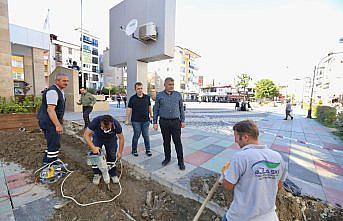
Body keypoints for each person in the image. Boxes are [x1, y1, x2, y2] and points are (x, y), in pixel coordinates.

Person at [221, 120, 287, 221]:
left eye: (236, 136)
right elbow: (279, 185)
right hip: (269, 217)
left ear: (245, 137)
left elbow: (228, 185)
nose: (235, 141)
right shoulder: (278, 157)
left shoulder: (241, 157)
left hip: (240, 217)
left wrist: (226, 172)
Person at [153, 77, 186, 170]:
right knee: (166, 141)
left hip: (176, 122)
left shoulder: (178, 95)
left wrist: (183, 120)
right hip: (164, 122)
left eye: (173, 85)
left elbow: (181, 108)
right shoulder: (159, 95)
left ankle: (181, 161)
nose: (171, 86)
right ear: (165, 85)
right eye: (169, 84)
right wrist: (154, 122)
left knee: (177, 142)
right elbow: (156, 109)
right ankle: (167, 158)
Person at [83, 115, 124, 185]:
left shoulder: (116, 124)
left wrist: (120, 152)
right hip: (98, 137)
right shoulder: (95, 121)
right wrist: (93, 148)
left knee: (112, 154)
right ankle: (97, 173)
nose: (104, 129)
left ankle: (112, 173)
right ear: (100, 123)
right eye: (102, 127)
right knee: (95, 155)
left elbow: (121, 138)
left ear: (111, 124)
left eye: (106, 128)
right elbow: (86, 135)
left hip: (111, 139)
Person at [38, 73, 68, 165]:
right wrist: (58, 125)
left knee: (52, 143)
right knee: (54, 144)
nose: (66, 83)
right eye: (64, 81)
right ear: (57, 81)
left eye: (67, 81)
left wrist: (60, 120)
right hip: (49, 123)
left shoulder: (59, 91)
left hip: (50, 122)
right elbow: (50, 110)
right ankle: (50, 165)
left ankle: (48, 162)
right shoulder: (53, 92)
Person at [125, 82, 153, 157]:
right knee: (136, 135)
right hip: (135, 121)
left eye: (141, 88)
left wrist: (151, 115)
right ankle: (134, 150)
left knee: (146, 135)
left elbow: (149, 107)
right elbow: (129, 109)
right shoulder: (132, 98)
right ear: (135, 89)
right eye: (138, 89)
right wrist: (127, 119)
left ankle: (148, 150)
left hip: (146, 121)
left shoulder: (147, 97)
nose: (140, 90)